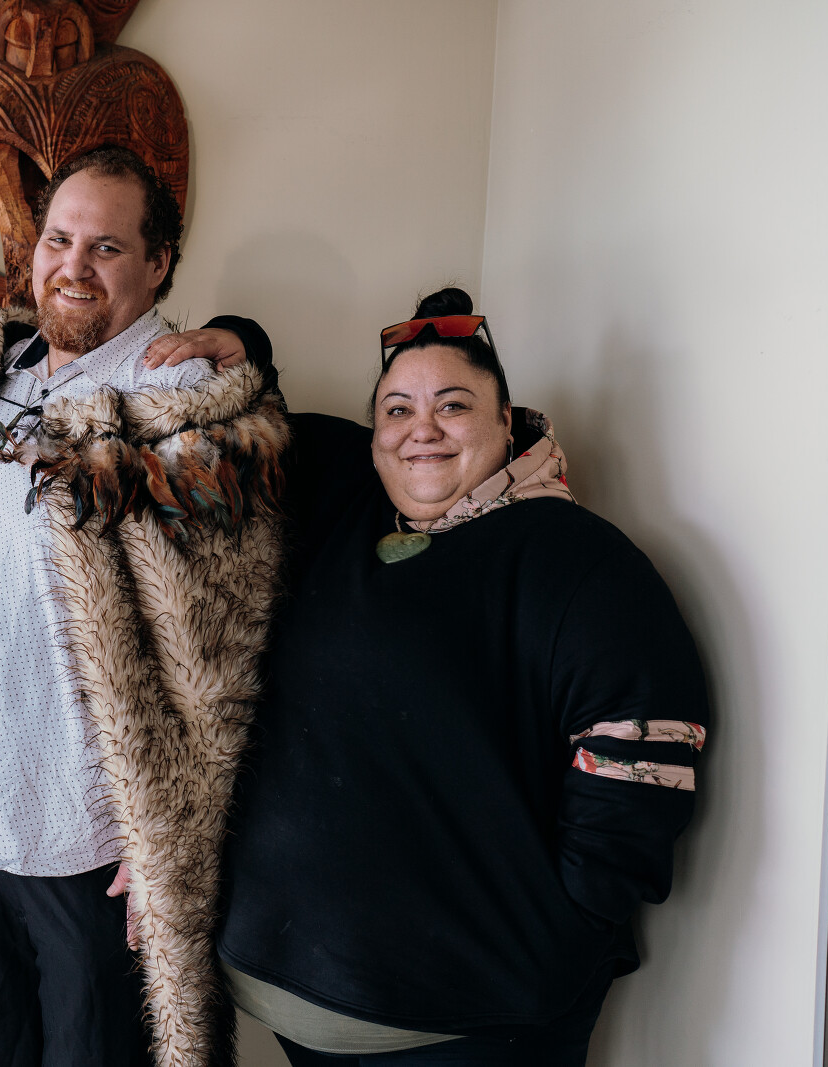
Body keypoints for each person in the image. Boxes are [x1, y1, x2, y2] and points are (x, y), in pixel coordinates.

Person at [218, 287, 708, 1066]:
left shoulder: (582, 563)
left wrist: (565, 933)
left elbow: (643, 760)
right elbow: (246, 429)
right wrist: (243, 343)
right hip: (288, 995)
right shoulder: (345, 499)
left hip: (473, 1023)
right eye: (397, 410)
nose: (422, 430)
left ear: (506, 421)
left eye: (453, 405)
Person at [0, 144, 291, 1066]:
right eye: (58, 240)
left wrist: (170, 835)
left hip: (89, 836)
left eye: (106, 247)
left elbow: (222, 648)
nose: (73, 265)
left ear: (158, 264)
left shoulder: (184, 405)